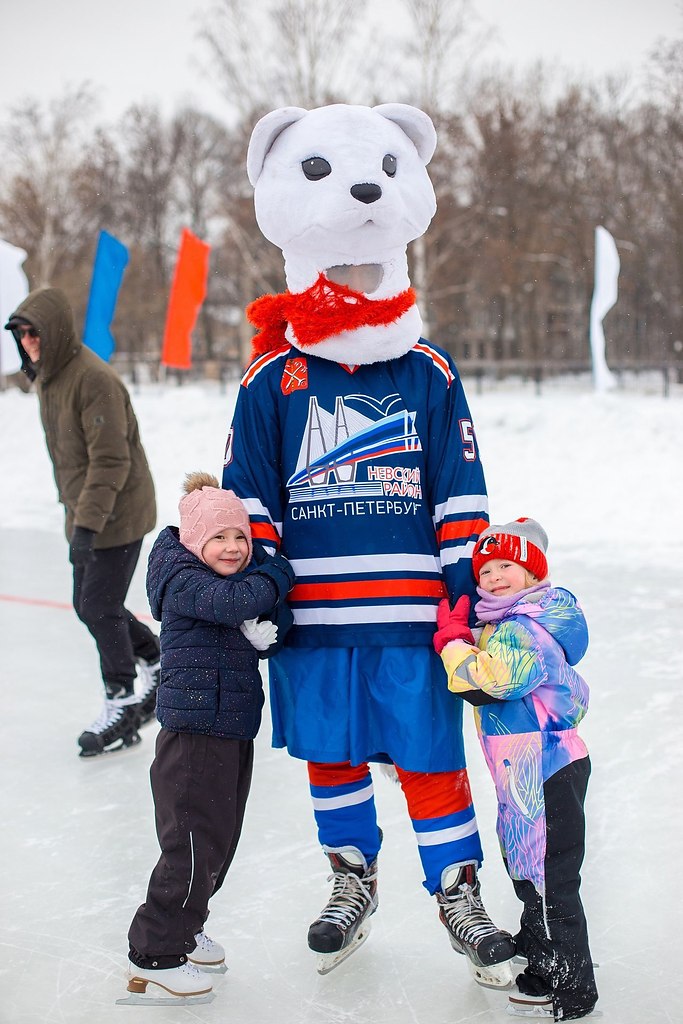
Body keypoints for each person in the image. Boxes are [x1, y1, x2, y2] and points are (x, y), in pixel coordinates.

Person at [221, 101, 515, 985]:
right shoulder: (274, 377)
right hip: (314, 620)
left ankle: (457, 891)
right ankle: (351, 876)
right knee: (333, 754)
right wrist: (262, 591)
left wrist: (469, 598)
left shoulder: (426, 370)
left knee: (429, 757)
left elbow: (460, 492)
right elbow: (250, 498)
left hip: (415, 617)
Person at [125, 473, 295, 1002]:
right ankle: (155, 951)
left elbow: (273, 626)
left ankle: (187, 925)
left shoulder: (227, 585)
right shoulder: (182, 579)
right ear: (196, 541)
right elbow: (233, 604)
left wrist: (269, 615)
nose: (233, 547)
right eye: (219, 538)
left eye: (240, 538)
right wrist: (278, 571)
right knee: (192, 844)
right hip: (194, 733)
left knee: (218, 839)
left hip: (229, 730)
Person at [433, 518, 598, 1021]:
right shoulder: (511, 623)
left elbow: (490, 683)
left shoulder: (522, 627)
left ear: (532, 572)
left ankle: (571, 988)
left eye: (509, 565)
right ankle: (540, 948)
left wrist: (453, 643)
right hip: (528, 766)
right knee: (530, 866)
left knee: (549, 878)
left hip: (544, 767)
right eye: (486, 570)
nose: (496, 576)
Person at [4, 286, 161, 757]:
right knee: (89, 603)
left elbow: (110, 460)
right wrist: (79, 519)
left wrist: (88, 527)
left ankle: (123, 703)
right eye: (20, 334)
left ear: (53, 333)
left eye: (34, 333)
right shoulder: (50, 378)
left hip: (120, 510)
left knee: (97, 605)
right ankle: (156, 660)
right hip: (88, 510)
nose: (28, 341)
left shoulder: (93, 379)